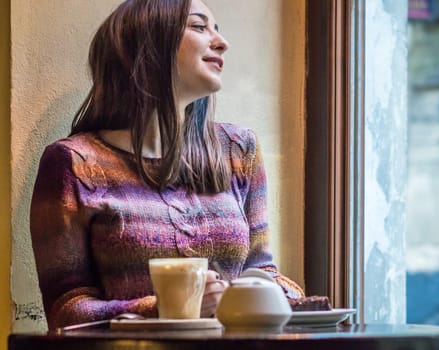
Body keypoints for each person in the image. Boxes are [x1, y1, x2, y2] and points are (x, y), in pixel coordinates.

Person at [30, 0, 304, 330]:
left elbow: (262, 273)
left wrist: (283, 293)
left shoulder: (239, 151)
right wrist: (166, 308)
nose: (221, 42)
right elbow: (66, 310)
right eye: (200, 27)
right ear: (147, 43)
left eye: (217, 30)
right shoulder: (72, 164)